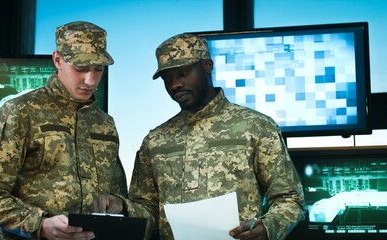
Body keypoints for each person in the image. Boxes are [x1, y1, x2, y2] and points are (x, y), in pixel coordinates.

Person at [93, 33, 306, 240]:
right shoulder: (155, 141)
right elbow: (148, 213)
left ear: (207, 66)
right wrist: (122, 207)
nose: (174, 84)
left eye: (183, 73)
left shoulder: (256, 127)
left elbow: (290, 198)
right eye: (168, 78)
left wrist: (268, 227)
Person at [0, 21, 127, 240]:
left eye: (98, 69)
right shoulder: (20, 111)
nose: (90, 80)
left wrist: (117, 203)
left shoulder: (104, 123)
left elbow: (119, 195)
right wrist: (40, 226)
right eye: (81, 69)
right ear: (57, 60)